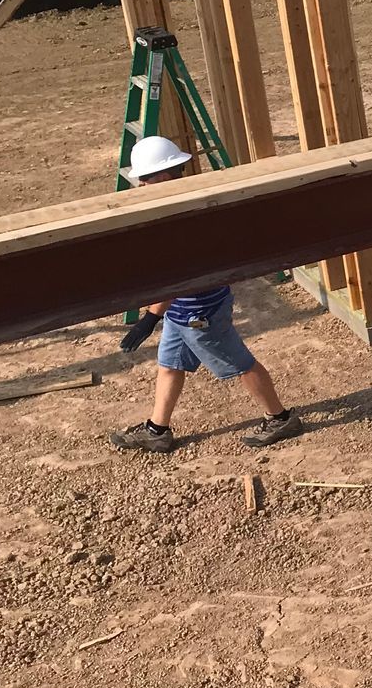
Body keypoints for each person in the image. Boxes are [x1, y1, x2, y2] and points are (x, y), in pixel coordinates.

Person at [110, 136, 305, 454]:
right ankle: (157, 430)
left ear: (162, 177)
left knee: (240, 364)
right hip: (183, 311)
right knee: (169, 365)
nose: (141, 186)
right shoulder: (182, 200)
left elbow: (180, 279)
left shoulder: (180, 220)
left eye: (144, 179)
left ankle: (281, 419)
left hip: (198, 313)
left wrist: (150, 318)